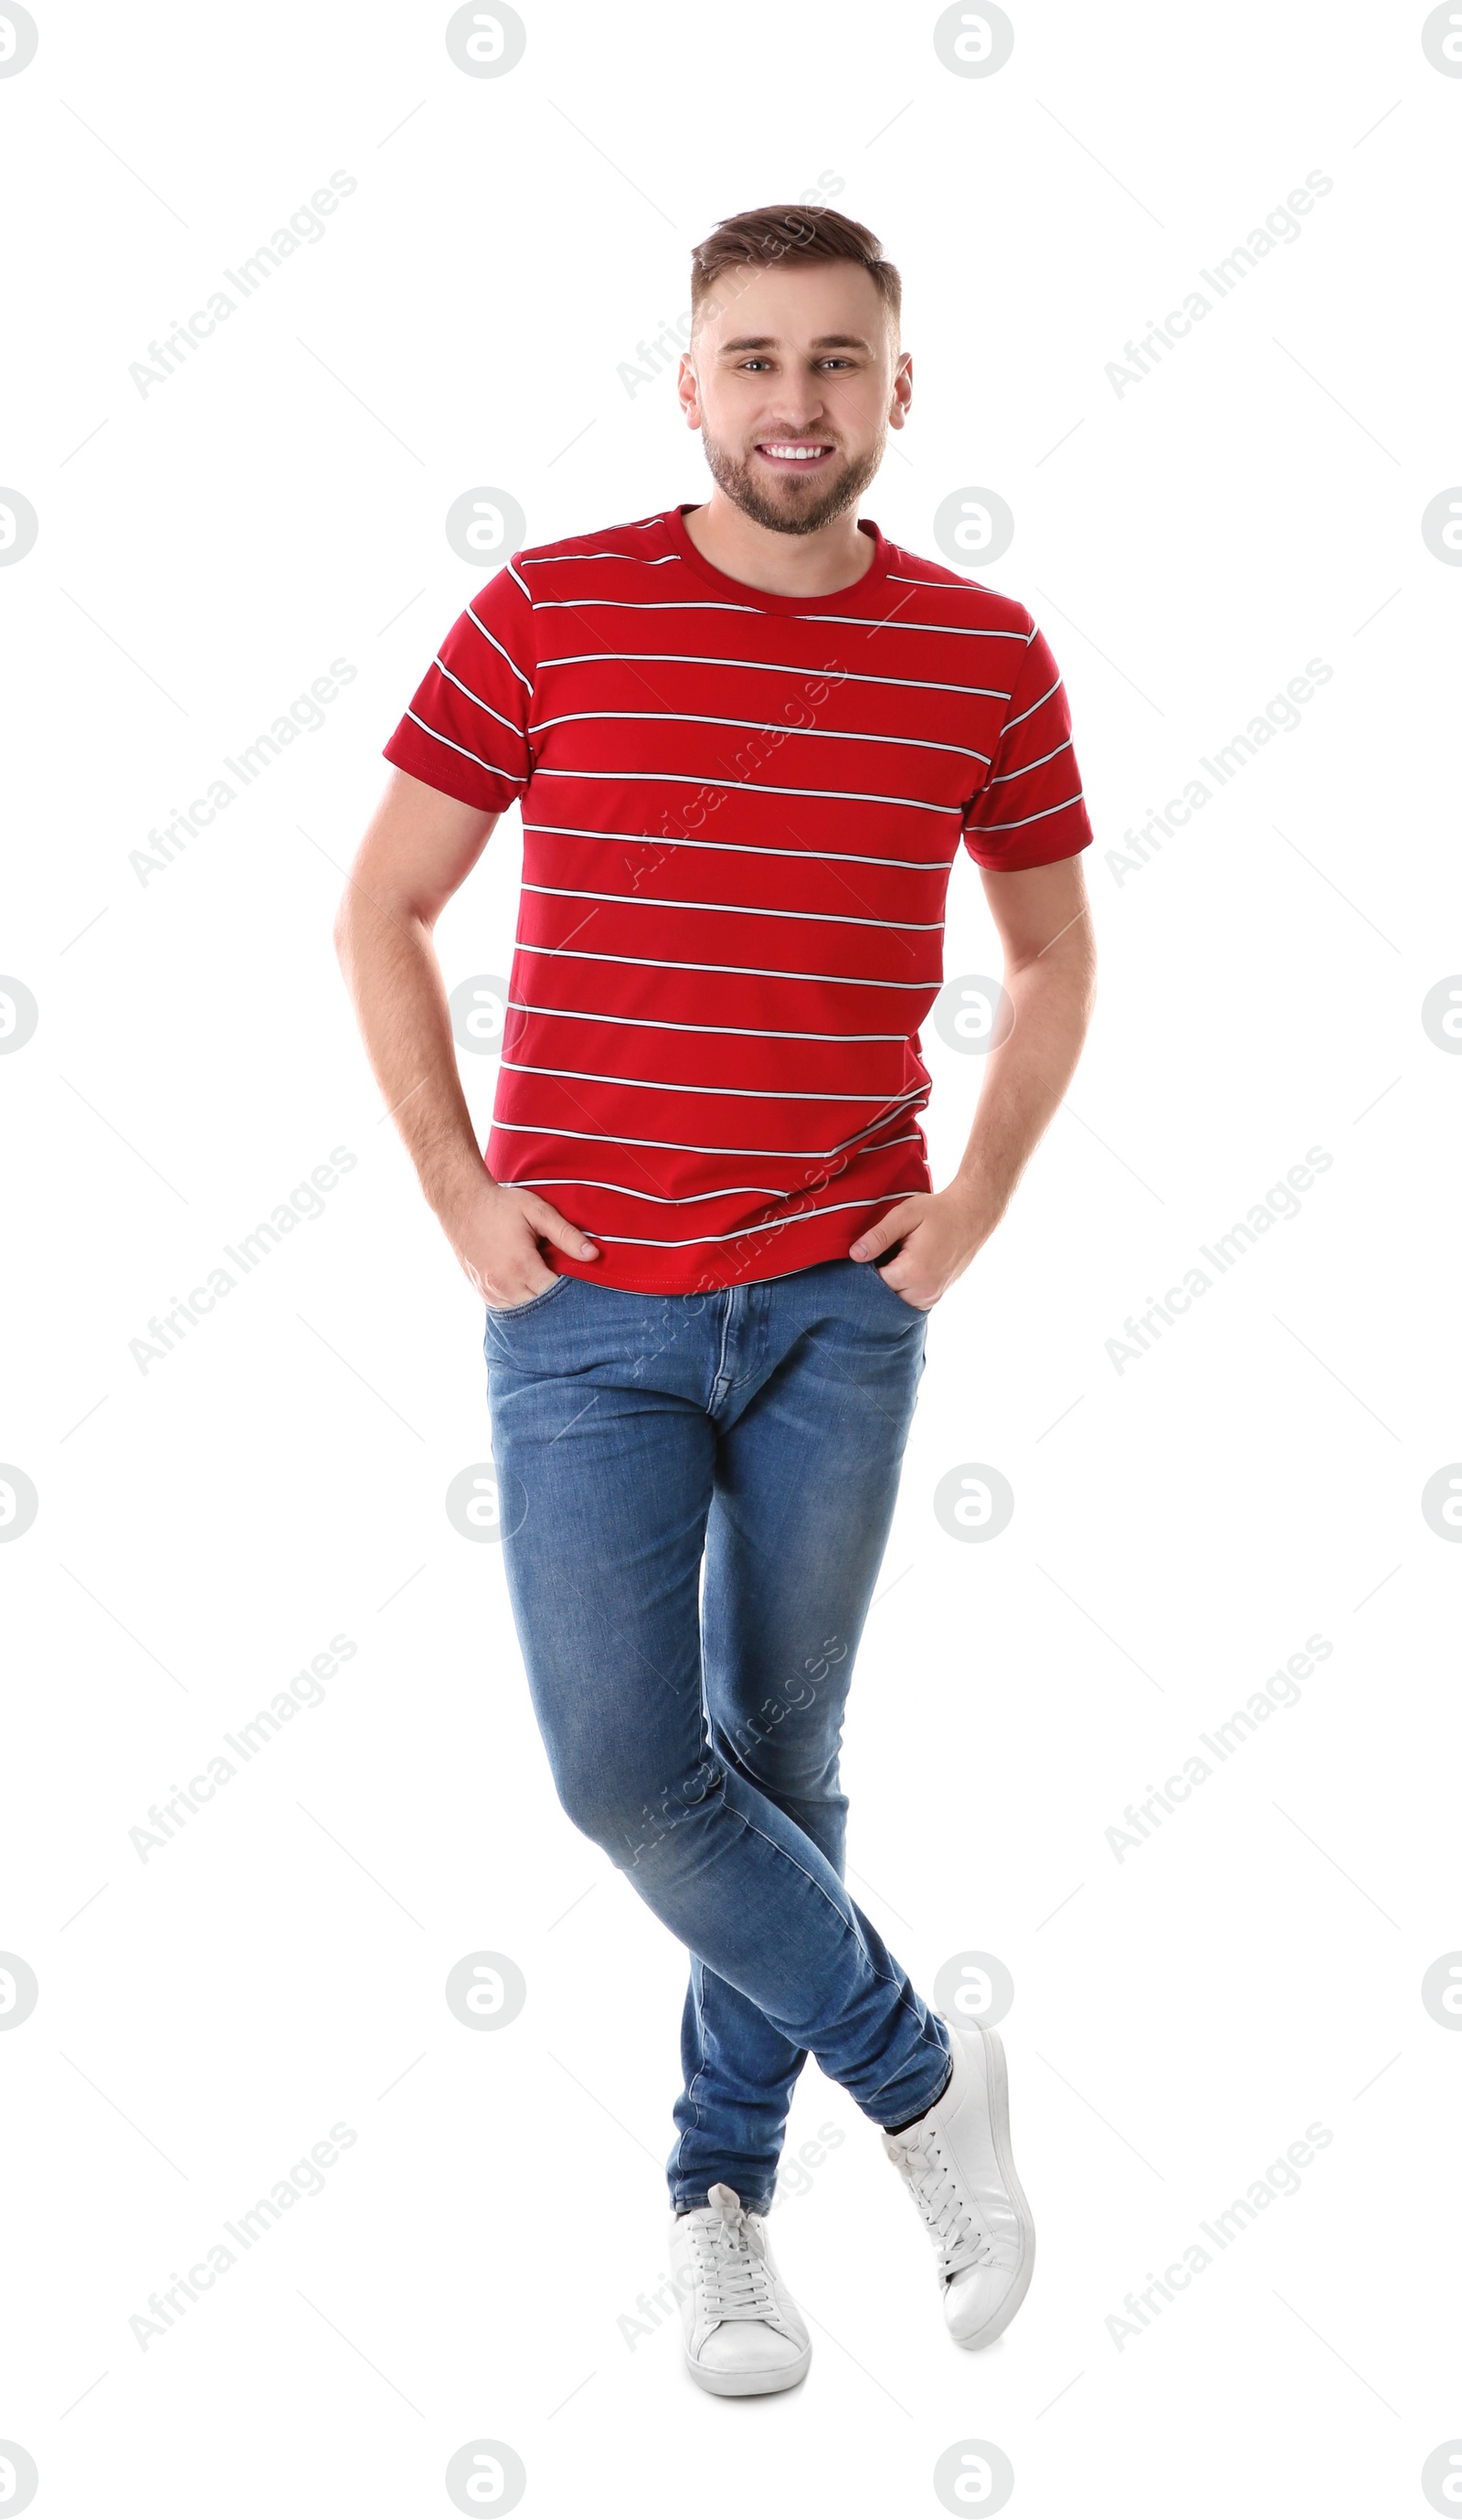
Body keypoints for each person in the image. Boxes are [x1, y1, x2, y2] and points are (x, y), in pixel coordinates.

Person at [334, 203, 1096, 2398]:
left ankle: (716, 2198)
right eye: (751, 360)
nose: (792, 402)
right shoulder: (549, 607)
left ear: (896, 391)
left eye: (835, 363)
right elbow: (379, 905)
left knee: (777, 1752)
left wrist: (963, 1211)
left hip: (838, 1298)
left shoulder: (982, 650)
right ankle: (922, 2078)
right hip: (581, 1301)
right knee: (623, 1768)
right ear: (686, 384)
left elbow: (1050, 960)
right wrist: (460, 1192)